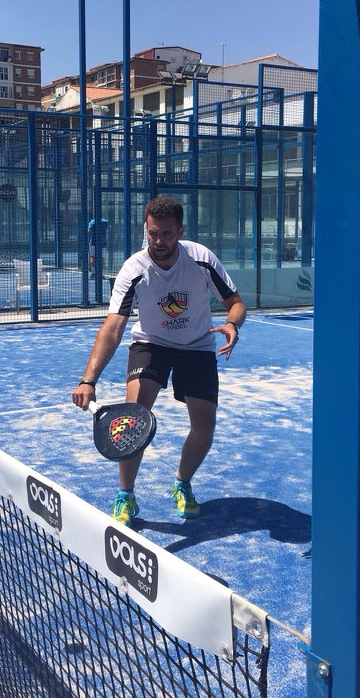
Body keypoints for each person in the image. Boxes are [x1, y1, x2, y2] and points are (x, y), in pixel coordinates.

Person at [72, 196, 246, 526]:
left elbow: (235, 303)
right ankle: (126, 495)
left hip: (197, 346)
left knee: (204, 426)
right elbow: (113, 327)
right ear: (146, 230)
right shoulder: (134, 269)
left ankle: (182, 484)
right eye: (153, 233)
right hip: (151, 344)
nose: (158, 241)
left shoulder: (201, 259)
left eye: (166, 234)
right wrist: (88, 379)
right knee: (132, 417)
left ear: (180, 231)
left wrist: (233, 324)